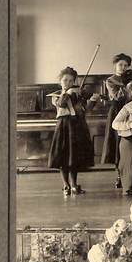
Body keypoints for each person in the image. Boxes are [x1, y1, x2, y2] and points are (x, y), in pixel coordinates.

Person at [47, 66, 96, 196]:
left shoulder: (77, 94)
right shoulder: (56, 95)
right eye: (65, 80)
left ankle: (74, 185)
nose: (68, 83)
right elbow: (62, 104)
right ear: (60, 81)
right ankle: (66, 185)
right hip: (63, 127)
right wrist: (67, 93)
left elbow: (85, 110)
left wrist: (92, 100)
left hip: (76, 127)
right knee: (63, 157)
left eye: (71, 81)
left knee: (73, 157)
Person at [100, 53, 132, 188]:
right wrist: (127, 85)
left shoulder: (130, 79)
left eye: (126, 65)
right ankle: (119, 175)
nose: (123, 68)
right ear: (115, 65)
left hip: (129, 112)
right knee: (117, 143)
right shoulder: (111, 81)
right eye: (120, 65)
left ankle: (129, 174)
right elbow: (117, 97)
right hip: (116, 113)